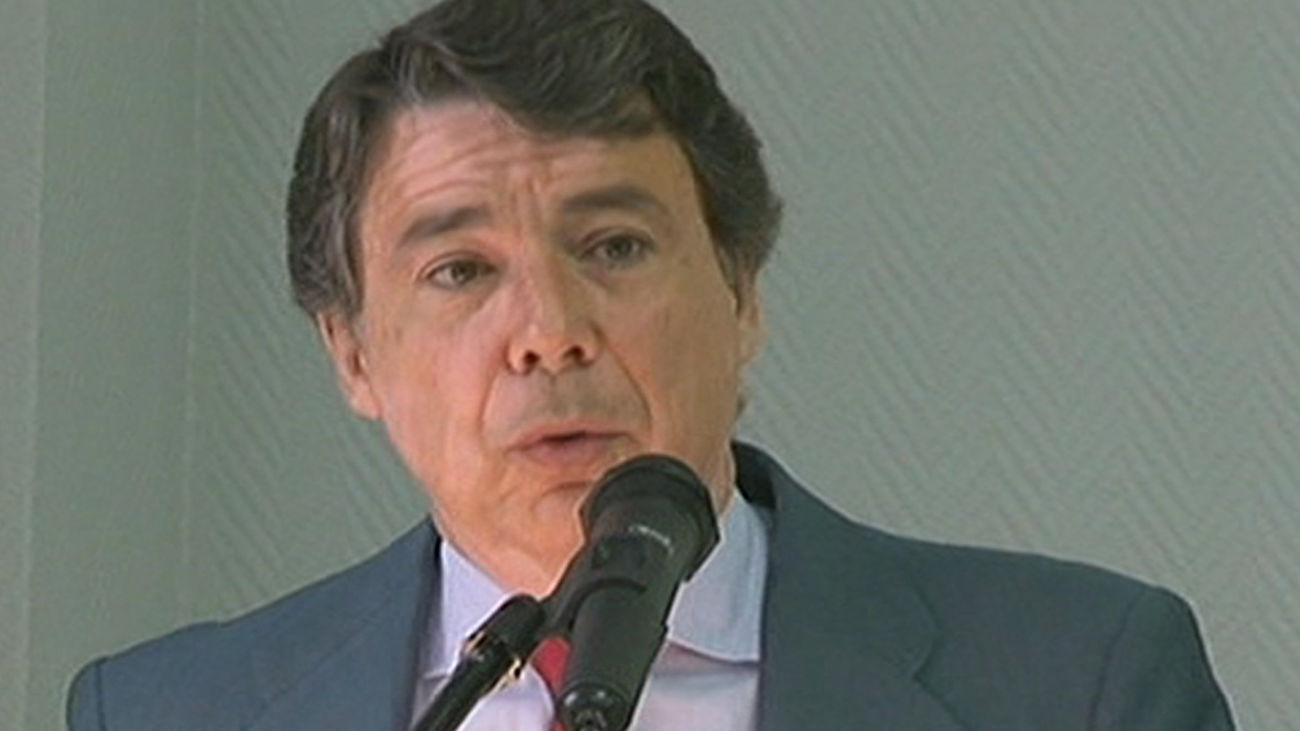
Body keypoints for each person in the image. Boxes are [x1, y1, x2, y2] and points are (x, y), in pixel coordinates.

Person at [67, 0, 1235, 728]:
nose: (549, 330)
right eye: (460, 270)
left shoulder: (1075, 681)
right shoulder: (172, 713)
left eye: (613, 246)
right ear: (353, 352)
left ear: (741, 291)